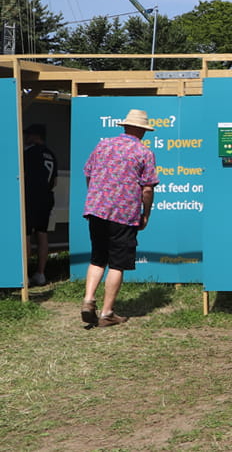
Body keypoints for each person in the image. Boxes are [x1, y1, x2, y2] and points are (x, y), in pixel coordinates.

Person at [81, 109, 159, 327]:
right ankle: (106, 313)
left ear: (124, 127)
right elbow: (147, 190)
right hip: (124, 214)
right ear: (141, 130)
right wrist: (146, 214)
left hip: (97, 209)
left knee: (97, 257)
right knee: (117, 264)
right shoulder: (144, 153)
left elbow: (88, 173)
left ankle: (88, 300)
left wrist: (96, 198)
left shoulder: (103, 145)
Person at [23, 123, 58, 287]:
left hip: (30, 197)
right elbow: (55, 181)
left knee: (27, 235)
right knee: (42, 234)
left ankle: (25, 275)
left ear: (36, 136)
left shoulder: (29, 153)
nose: (26, 138)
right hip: (47, 197)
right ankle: (41, 274)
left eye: (28, 135)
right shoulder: (51, 154)